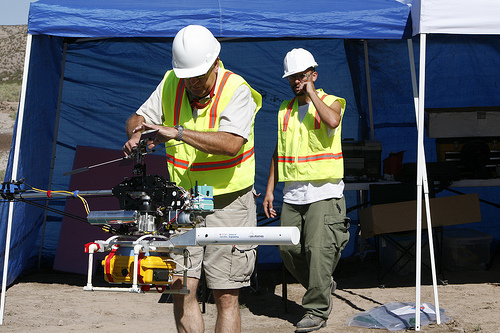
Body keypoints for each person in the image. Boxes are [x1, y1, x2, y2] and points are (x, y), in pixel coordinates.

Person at [123, 25, 262, 333]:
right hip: (182, 201)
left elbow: (231, 144)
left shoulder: (236, 88)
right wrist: (137, 135)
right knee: (179, 287)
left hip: (228, 203)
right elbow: (137, 118)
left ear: (215, 63)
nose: (194, 83)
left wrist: (178, 132)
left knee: (225, 294)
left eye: (200, 76)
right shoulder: (172, 81)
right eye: (188, 77)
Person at [263, 48, 350, 333]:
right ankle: (322, 284)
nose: (296, 81)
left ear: (313, 74)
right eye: (292, 77)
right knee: (288, 249)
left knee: (319, 250)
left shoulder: (331, 101)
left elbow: (333, 121)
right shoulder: (285, 109)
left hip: (324, 192)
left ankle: (316, 310)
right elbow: (279, 151)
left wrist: (312, 94)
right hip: (293, 193)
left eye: (301, 76)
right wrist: (269, 189)